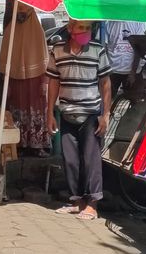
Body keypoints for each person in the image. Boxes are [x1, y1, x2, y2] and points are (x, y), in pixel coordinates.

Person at [46, 19, 112, 220]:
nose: (85, 31)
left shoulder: (97, 50)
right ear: (70, 29)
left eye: (88, 28)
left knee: (91, 160)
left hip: (91, 114)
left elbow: (105, 83)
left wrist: (106, 114)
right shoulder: (57, 51)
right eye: (81, 27)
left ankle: (92, 205)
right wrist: (49, 113)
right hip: (67, 113)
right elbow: (53, 82)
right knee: (71, 160)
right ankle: (76, 201)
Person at [0, 0, 50, 158]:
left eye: (25, 10)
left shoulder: (38, 31)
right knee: (17, 111)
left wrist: (44, 82)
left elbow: (44, 58)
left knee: (36, 111)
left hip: (35, 81)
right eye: (19, 10)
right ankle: (18, 144)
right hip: (15, 80)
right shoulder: (10, 30)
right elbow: (5, 57)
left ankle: (38, 145)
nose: (22, 14)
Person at [105, 21, 146, 99]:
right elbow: (103, 47)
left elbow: (139, 48)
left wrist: (133, 72)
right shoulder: (108, 21)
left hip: (133, 70)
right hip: (112, 69)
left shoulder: (139, 21)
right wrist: (104, 71)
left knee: (136, 101)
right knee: (106, 100)